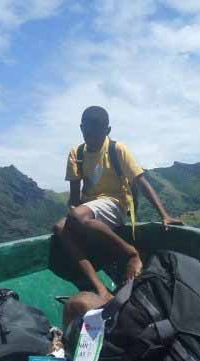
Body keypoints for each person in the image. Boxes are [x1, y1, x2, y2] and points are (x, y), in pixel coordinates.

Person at [53, 106, 182, 302]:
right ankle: (101, 289)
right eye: (87, 133)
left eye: (97, 133)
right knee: (60, 227)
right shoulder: (76, 154)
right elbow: (74, 198)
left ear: (108, 130)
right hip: (89, 210)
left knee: (78, 217)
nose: (91, 138)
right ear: (81, 128)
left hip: (117, 205)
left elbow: (141, 182)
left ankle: (131, 254)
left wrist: (164, 215)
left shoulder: (116, 149)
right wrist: (73, 215)